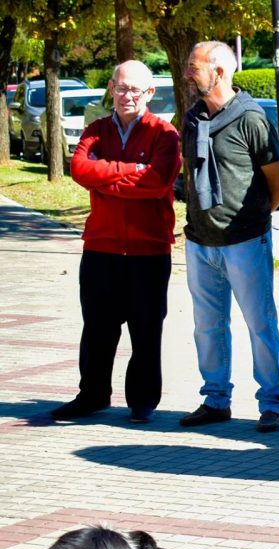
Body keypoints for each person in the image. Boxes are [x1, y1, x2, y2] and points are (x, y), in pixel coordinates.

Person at [53, 60, 182, 424]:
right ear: (111, 87)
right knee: (96, 328)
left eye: (135, 90)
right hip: (101, 246)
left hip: (149, 250)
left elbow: (157, 183)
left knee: (146, 330)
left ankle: (142, 402)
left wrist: (105, 175)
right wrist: (133, 173)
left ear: (149, 93)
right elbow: (79, 170)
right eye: (121, 88)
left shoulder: (164, 133)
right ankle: (91, 395)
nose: (127, 96)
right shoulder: (95, 130)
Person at [177, 41, 279, 432]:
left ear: (220, 71)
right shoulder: (192, 118)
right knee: (207, 325)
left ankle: (272, 402)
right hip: (199, 241)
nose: (188, 74)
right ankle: (215, 399)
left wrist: (255, 218)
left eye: (194, 67)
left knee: (260, 323)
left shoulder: (251, 119)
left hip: (244, 242)